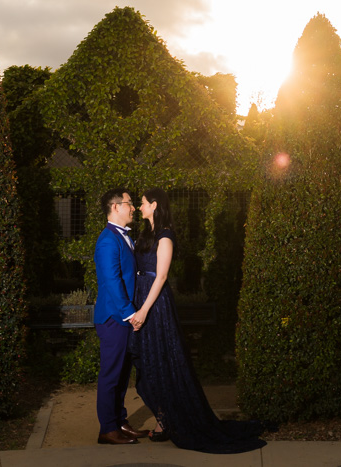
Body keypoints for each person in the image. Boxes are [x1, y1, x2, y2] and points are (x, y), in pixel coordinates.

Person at [129, 187, 267, 453]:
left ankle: (165, 421)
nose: (139, 206)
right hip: (142, 298)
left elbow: (161, 277)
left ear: (155, 205)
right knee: (149, 360)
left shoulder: (166, 236)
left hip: (155, 306)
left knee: (163, 360)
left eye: (143, 202)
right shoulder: (146, 234)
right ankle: (162, 418)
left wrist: (144, 310)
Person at [93, 187, 150, 445]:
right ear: (115, 207)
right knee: (111, 374)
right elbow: (112, 281)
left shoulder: (123, 237)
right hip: (114, 318)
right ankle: (107, 429)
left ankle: (119, 421)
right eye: (128, 203)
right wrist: (130, 314)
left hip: (123, 317)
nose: (133, 207)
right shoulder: (107, 240)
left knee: (122, 374)